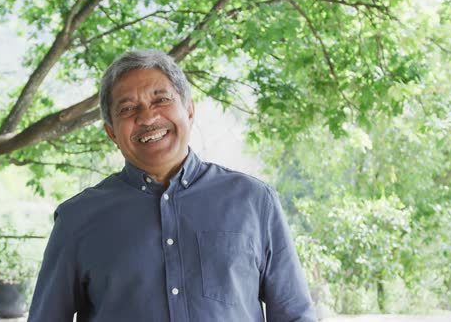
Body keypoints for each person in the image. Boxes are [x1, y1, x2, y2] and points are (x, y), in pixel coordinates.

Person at [28, 49, 316, 322]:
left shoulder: (254, 200)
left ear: (189, 111)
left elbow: (294, 315)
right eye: (128, 108)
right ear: (111, 132)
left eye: (160, 100)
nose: (147, 117)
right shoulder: (77, 218)